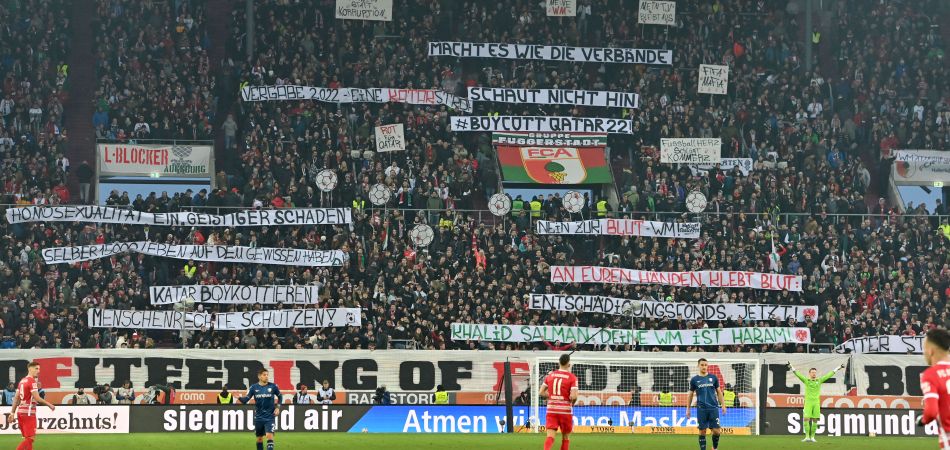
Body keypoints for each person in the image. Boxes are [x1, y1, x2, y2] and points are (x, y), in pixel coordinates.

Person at [787, 361, 845, 442]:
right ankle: (807, 437)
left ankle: (813, 437)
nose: (814, 374)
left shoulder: (819, 380)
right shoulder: (806, 381)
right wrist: (791, 366)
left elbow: (829, 375)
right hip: (808, 403)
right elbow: (798, 374)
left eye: (815, 372)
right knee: (806, 419)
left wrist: (838, 368)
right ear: (809, 373)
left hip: (816, 403)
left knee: (815, 420)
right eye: (812, 372)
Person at [7, 361, 55, 450]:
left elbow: (16, 398)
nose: (38, 371)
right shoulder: (32, 381)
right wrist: (49, 404)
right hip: (28, 413)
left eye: (39, 369)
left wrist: (12, 413)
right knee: (30, 439)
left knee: (27, 438)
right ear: (30, 369)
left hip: (21, 412)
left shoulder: (22, 381)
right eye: (36, 368)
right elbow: (37, 398)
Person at [919, 328, 950, 449]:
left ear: (931, 351)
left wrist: (923, 420)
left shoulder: (931, 374)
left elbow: (931, 412)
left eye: (924, 349)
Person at [539, 353, 578, 450]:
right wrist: (571, 404)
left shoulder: (550, 375)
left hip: (551, 410)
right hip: (565, 410)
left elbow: (541, 393)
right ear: (569, 364)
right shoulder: (572, 377)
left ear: (559, 363)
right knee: (565, 437)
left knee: (550, 437)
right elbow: (574, 396)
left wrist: (552, 396)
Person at [685, 358, 726, 450]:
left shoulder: (713, 378)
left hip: (713, 408)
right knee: (702, 431)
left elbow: (719, 392)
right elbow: (690, 394)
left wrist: (723, 405)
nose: (704, 367)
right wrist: (688, 409)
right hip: (701, 409)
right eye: (702, 365)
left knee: (716, 431)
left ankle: (714, 447)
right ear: (698, 366)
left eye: (705, 365)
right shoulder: (694, 380)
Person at [239, 369, 281, 450]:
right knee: (259, 439)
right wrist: (239, 398)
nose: (266, 376)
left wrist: (278, 407)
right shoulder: (253, 387)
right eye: (264, 375)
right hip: (259, 418)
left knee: (269, 437)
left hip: (270, 417)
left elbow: (280, 396)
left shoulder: (273, 386)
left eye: (267, 375)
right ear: (259, 376)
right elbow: (245, 400)